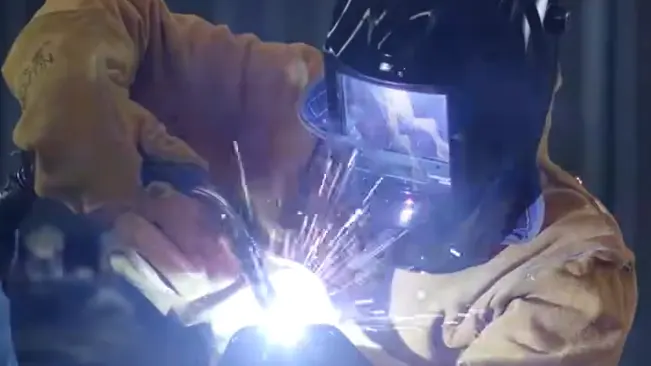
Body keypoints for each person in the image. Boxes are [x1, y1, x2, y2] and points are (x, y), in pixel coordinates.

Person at [0, 1, 637, 366]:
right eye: (358, 118)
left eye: (413, 136)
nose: (371, 154)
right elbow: (85, 18)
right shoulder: (288, 102)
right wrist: (110, 182)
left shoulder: (565, 278)